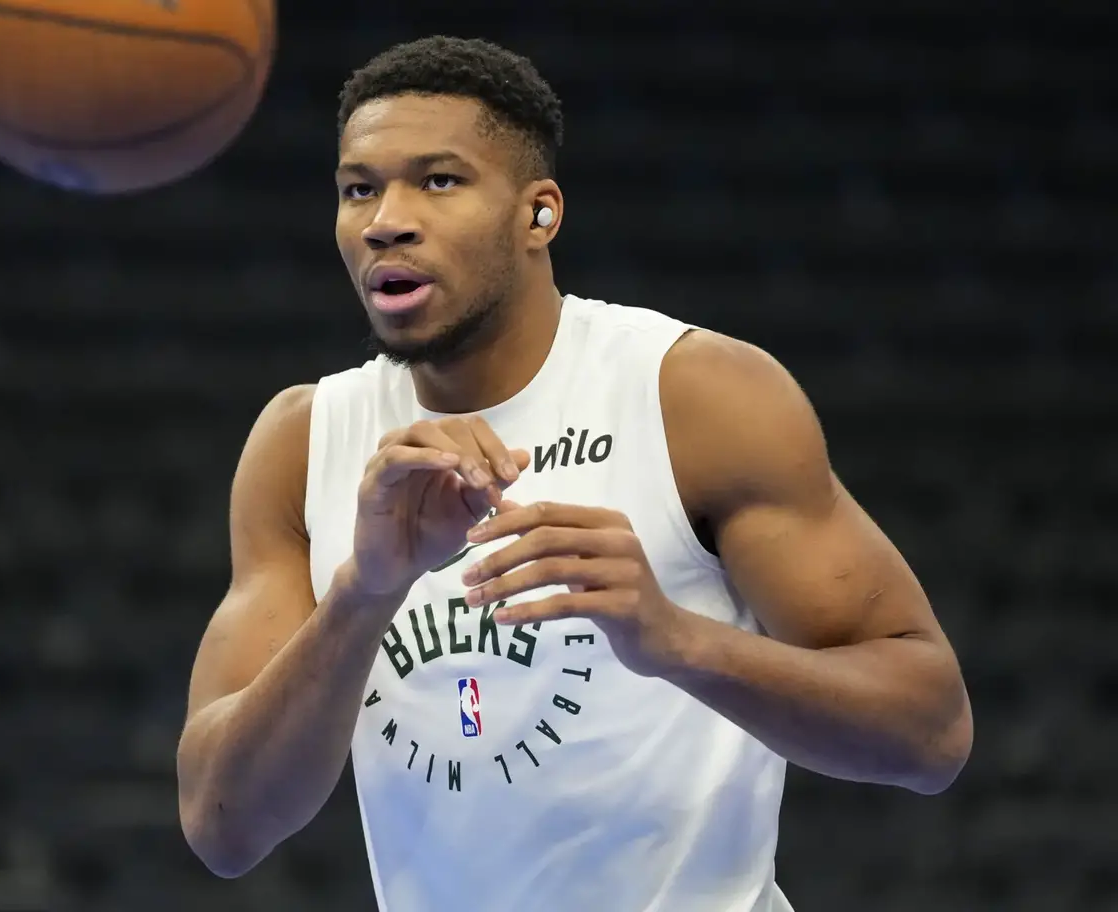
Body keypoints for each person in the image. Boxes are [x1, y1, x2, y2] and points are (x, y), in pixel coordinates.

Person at [176, 35, 972, 912]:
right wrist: (364, 593)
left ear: (538, 214)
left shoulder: (691, 393)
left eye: (437, 181)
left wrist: (676, 639)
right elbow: (223, 827)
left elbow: (931, 735)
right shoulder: (305, 440)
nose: (384, 220)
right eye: (358, 188)